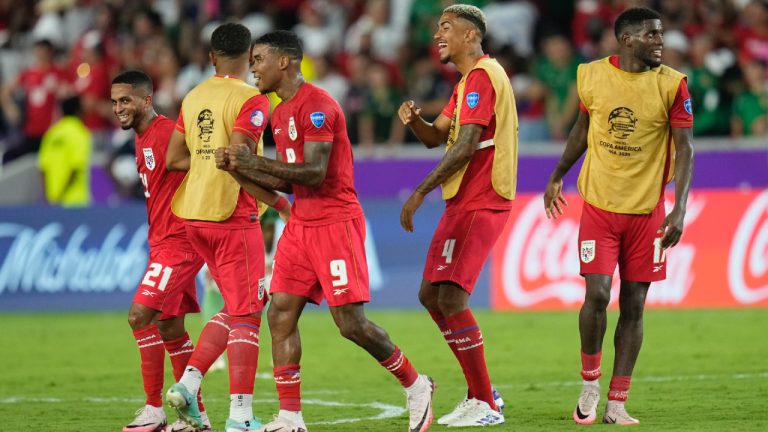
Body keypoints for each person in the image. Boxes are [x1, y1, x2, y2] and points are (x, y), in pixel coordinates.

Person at [216, 30, 435, 432]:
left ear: (285, 61)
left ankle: (417, 384)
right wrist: (241, 167)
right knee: (280, 313)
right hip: (301, 224)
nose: (253, 68)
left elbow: (314, 174)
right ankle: (290, 417)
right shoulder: (279, 114)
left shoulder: (318, 106)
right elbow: (290, 182)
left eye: (259, 59)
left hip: (335, 222)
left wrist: (253, 160)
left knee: (350, 324)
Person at [542, 7, 694, 425]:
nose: (660, 41)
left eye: (661, 34)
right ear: (627, 40)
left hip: (648, 213)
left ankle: (617, 401)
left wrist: (679, 207)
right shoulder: (592, 75)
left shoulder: (673, 85)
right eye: (651, 34)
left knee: (634, 305)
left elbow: (685, 150)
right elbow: (582, 130)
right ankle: (590, 383)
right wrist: (557, 175)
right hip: (600, 208)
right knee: (596, 295)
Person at [163, 23, 289, 432]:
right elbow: (237, 156)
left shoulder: (193, 95)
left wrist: (204, 165)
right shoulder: (252, 99)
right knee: (250, 313)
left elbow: (174, 158)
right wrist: (278, 199)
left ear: (212, 56)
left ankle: (189, 382)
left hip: (194, 215)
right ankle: (240, 417)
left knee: (236, 308)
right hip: (231, 215)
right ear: (249, 55)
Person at [397, 4, 515, 428]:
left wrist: (420, 192)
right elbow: (438, 137)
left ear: (470, 35)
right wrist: (416, 123)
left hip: (480, 198)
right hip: (463, 199)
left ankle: (485, 402)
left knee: (451, 298)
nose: (437, 36)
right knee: (431, 295)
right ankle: (481, 393)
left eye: (445, 28)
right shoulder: (468, 82)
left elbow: (465, 145)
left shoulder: (483, 76)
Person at [111, 69, 211, 432]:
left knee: (140, 317)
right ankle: (195, 417)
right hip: (162, 243)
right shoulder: (140, 137)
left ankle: (154, 410)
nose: (118, 108)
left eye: (126, 100)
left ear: (146, 100)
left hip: (180, 243)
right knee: (170, 327)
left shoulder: (168, 132)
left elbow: (206, 167)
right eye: (115, 101)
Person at [38, 95, 92, 207]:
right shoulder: (80, 133)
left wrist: (49, 197)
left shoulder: (51, 133)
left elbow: (43, 168)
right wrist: (61, 197)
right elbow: (75, 169)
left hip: (52, 201)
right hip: (75, 202)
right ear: (78, 111)